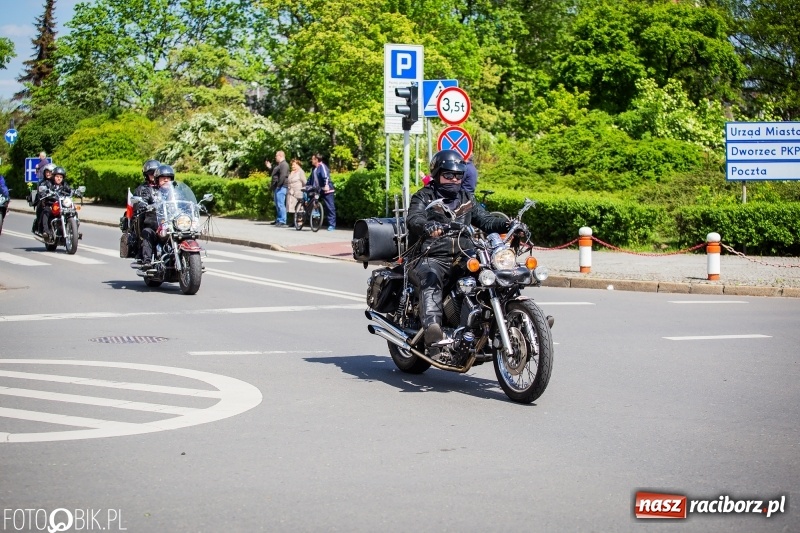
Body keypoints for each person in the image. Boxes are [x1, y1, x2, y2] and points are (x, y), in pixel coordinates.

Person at [406, 149, 523, 351]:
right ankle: (433, 331)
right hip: (431, 255)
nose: (454, 179)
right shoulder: (424, 196)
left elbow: (485, 220)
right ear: (436, 174)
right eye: (448, 175)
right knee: (431, 279)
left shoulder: (466, 197)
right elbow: (414, 218)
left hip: (464, 255)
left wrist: (507, 225)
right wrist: (428, 227)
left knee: (491, 274)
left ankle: (517, 318)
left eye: (458, 175)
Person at [139, 164, 176, 267]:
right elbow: (144, 200)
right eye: (163, 178)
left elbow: (180, 202)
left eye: (168, 178)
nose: (166, 180)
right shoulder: (149, 191)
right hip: (155, 223)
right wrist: (144, 204)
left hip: (170, 223)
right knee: (147, 232)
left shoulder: (174, 192)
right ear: (157, 180)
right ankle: (147, 261)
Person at [39, 167, 72, 238]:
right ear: (54, 176)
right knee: (46, 211)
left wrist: (75, 192)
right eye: (57, 176)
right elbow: (43, 190)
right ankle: (46, 232)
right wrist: (44, 192)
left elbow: (70, 190)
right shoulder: (48, 183)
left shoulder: (64, 184)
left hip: (63, 205)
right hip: (51, 204)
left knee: (73, 211)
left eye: (61, 177)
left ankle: (73, 229)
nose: (59, 178)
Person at [309, 153, 336, 231]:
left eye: (313, 159)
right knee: (314, 202)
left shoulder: (322, 167)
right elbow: (311, 179)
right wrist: (307, 185)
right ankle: (316, 217)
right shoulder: (314, 169)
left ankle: (332, 225)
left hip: (327, 190)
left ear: (316, 160)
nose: (311, 160)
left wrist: (326, 185)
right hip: (319, 189)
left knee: (330, 207)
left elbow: (326, 176)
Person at [266, 151, 290, 227]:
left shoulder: (284, 165)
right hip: (278, 187)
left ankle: (283, 220)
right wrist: (270, 167)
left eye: (276, 156)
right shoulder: (280, 165)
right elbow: (275, 173)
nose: (275, 157)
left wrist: (279, 185)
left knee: (280, 204)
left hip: (281, 187)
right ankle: (279, 219)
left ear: (280, 156)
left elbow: (283, 176)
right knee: (277, 204)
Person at [32, 163, 56, 234]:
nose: (48, 174)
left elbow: (66, 188)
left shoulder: (57, 181)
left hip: (58, 202)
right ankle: (44, 230)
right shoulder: (42, 183)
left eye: (50, 172)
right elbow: (40, 193)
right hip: (47, 202)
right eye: (47, 172)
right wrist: (43, 194)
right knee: (46, 211)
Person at [286, 158, 306, 227]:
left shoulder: (301, 172)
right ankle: (293, 221)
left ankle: (299, 222)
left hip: (298, 192)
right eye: (292, 165)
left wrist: (303, 190)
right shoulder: (292, 172)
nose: (292, 166)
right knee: (292, 207)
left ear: (298, 165)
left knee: (299, 208)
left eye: (294, 165)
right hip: (291, 192)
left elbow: (304, 182)